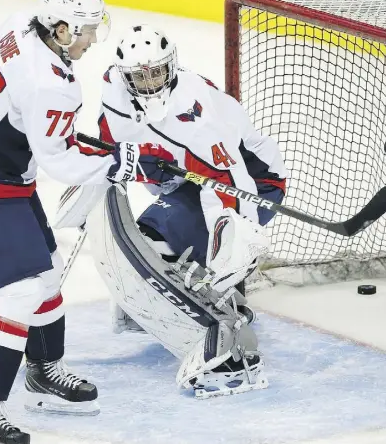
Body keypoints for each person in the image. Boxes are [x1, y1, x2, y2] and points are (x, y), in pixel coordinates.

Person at [0, 0, 176, 443]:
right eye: (83, 32)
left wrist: (117, 154)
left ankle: (43, 370)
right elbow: (61, 162)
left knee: (47, 274)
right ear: (59, 29)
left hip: (1, 169)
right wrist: (121, 163)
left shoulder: (21, 26)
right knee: (21, 291)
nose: (92, 40)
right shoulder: (49, 84)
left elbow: (42, 130)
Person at [55, 24, 289, 399]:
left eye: (157, 72)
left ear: (172, 66)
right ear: (123, 75)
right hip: (189, 184)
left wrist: (228, 249)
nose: (149, 83)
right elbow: (109, 150)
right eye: (139, 76)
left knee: (182, 244)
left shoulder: (197, 117)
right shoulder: (115, 93)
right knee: (149, 238)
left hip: (252, 184)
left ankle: (228, 322)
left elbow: (231, 187)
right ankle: (152, 306)